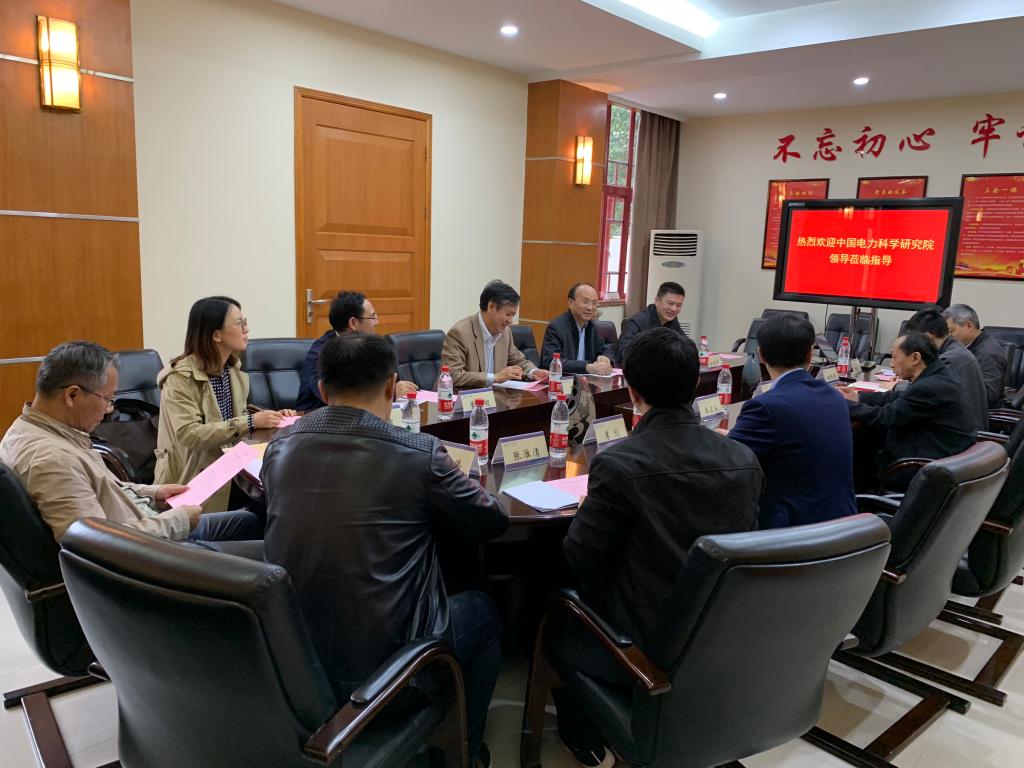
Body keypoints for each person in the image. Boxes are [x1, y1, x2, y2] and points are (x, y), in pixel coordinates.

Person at [262, 333, 509, 767]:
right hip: (386, 678)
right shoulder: (418, 453)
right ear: (393, 387)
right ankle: (462, 755)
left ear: (322, 389)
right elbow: (492, 521)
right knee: (484, 611)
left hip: (291, 666)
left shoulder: (280, 446)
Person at [553, 328, 763, 765]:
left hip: (639, 647)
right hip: (721, 638)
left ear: (631, 390)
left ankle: (584, 732)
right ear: (695, 385)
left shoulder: (620, 463)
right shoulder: (743, 459)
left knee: (554, 616)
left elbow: (579, 557)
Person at [0, 341, 260, 545]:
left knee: (253, 520)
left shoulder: (26, 430)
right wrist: (177, 520)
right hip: (150, 552)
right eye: (107, 399)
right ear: (72, 395)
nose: (110, 410)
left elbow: (96, 488)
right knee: (264, 544)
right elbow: (95, 543)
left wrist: (152, 493)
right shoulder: (54, 460)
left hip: (143, 521)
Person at [155, 296, 290, 511]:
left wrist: (273, 418)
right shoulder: (179, 377)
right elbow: (190, 434)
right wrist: (250, 422)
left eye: (245, 322)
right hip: (193, 478)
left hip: (231, 468)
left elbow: (233, 418)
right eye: (239, 323)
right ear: (216, 335)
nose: (246, 329)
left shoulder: (232, 370)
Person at [725, 314, 856, 529]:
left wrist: (722, 440)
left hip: (793, 534)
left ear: (761, 355)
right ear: (810, 353)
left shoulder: (766, 407)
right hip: (842, 527)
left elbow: (728, 463)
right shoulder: (835, 397)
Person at [838, 332, 977, 480]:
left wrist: (842, 404)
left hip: (924, 467)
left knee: (859, 444)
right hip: (946, 456)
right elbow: (899, 397)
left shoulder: (928, 387)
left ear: (915, 358)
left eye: (895, 357)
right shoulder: (939, 375)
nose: (891, 364)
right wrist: (858, 397)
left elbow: (885, 417)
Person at [295, 290, 418, 412]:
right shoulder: (321, 354)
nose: (377, 322)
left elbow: (387, 379)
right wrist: (389, 393)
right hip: (319, 419)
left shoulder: (372, 346)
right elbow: (337, 397)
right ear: (353, 323)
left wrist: (394, 388)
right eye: (372, 317)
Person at [442, 280, 550, 388]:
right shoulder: (460, 333)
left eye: (513, 315)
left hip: (495, 396)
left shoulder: (505, 332)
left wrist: (534, 372)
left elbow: (517, 360)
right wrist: (494, 378)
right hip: (463, 396)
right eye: (508, 314)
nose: (510, 321)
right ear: (491, 307)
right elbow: (453, 375)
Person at [904, 306, 988, 431]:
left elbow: (924, 393)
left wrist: (897, 386)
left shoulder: (950, 360)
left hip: (961, 433)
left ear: (927, 337)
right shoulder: (954, 350)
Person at [540, 282, 615, 375]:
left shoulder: (592, 326)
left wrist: (606, 357)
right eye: (585, 302)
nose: (590, 308)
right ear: (571, 303)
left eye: (594, 303)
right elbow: (550, 361)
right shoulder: (556, 327)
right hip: (563, 380)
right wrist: (586, 367)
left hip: (587, 380)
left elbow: (606, 349)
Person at [944, 303, 1008, 408]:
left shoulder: (989, 353)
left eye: (951, 331)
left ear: (968, 326)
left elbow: (988, 397)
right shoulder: (967, 347)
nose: (948, 337)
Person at [617, 281, 688, 361]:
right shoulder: (636, 322)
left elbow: (685, 345)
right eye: (670, 303)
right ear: (657, 301)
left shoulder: (672, 320)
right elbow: (626, 353)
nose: (674, 309)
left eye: (678, 305)